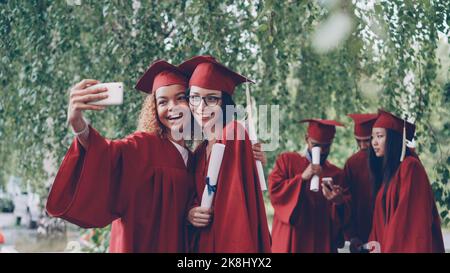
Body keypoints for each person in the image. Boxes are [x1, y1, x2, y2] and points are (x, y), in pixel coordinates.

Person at [46, 60, 196, 252]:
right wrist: (78, 124)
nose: (172, 107)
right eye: (163, 102)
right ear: (155, 109)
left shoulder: (193, 159)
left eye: (180, 98)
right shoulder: (143, 145)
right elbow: (108, 154)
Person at [180, 55, 271, 253]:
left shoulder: (234, 133)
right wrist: (191, 214)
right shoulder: (198, 152)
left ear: (224, 103)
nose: (201, 107)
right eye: (194, 97)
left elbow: (235, 211)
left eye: (211, 98)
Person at [368, 109, 445, 253]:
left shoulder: (410, 167)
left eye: (379, 136)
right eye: (372, 137)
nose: (374, 142)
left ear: (393, 139)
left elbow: (410, 221)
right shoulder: (389, 174)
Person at [269, 119, 351, 253]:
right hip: (292, 238)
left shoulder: (336, 174)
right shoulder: (287, 161)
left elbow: (344, 216)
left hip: (321, 241)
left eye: (326, 146)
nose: (322, 151)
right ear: (307, 139)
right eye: (316, 145)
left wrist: (339, 202)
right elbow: (275, 192)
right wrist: (301, 178)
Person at [343, 113, 378, 252]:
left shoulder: (388, 161)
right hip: (361, 234)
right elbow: (347, 201)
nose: (363, 146)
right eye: (358, 141)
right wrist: (352, 235)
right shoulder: (352, 163)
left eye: (367, 140)